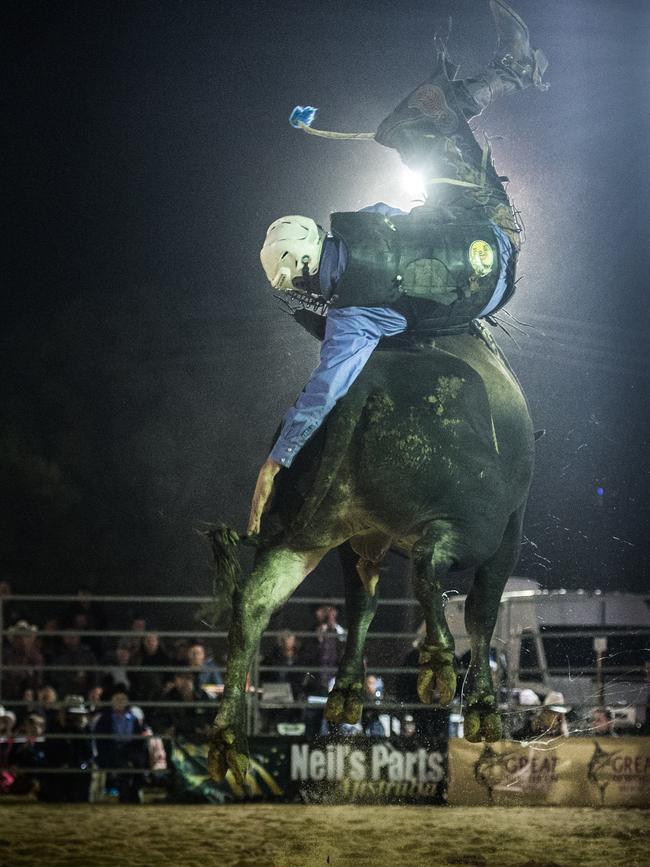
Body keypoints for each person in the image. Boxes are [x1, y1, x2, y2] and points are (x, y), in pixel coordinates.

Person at [248, 0, 548, 534]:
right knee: (422, 121)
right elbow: (399, 215)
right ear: (317, 236)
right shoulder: (362, 222)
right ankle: (512, 70)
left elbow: (323, 392)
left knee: (423, 133)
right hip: (486, 229)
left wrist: (278, 458)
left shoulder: (349, 321)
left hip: (495, 268)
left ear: (299, 276)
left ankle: (513, 69)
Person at [93, 686, 148, 803]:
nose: (120, 702)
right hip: (112, 750)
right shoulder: (104, 718)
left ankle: (134, 793)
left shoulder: (133, 717)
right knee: (123, 767)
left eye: (123, 699)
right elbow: (101, 741)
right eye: (117, 698)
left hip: (131, 749)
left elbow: (140, 738)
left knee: (140, 765)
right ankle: (125, 797)